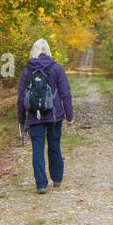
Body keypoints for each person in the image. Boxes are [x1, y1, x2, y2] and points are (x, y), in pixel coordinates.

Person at [16, 38, 73, 194]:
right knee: (54, 145)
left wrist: (21, 119)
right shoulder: (57, 68)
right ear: (48, 50)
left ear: (33, 50)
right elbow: (65, 93)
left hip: (34, 116)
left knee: (37, 150)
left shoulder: (27, 70)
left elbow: (21, 97)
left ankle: (41, 184)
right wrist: (69, 115)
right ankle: (57, 178)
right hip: (54, 115)